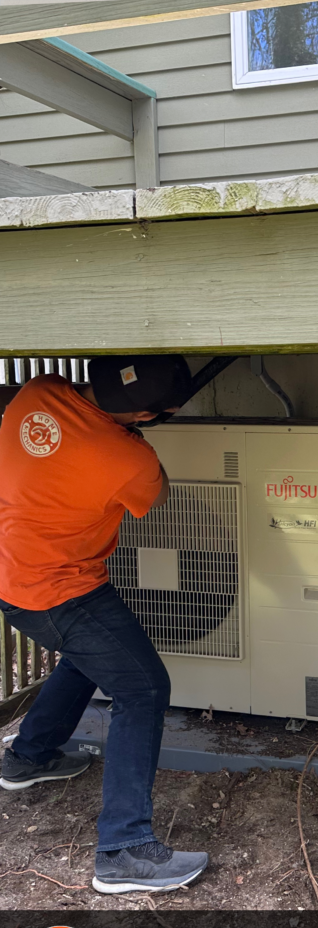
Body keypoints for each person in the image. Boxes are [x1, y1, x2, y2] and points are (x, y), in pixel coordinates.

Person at [0, 356, 209, 894]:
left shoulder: (38, 391)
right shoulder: (129, 459)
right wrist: (137, 441)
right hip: (59, 589)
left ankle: (28, 756)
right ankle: (123, 850)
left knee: (92, 655)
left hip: (12, 576)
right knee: (143, 686)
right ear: (140, 414)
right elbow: (155, 497)